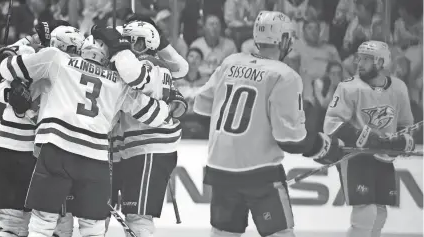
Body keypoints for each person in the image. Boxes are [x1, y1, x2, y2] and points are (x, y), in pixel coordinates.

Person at [0, 25, 175, 237]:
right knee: (93, 228)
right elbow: (154, 115)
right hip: (95, 160)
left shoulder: (57, 59)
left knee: (43, 222)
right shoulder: (118, 81)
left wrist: (18, 50)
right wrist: (171, 103)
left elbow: (7, 68)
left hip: (56, 151)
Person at [193, 11, 344, 237]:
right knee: (280, 233)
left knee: (223, 233)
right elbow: (290, 139)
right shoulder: (284, 75)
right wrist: (323, 146)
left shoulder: (230, 62)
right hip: (259, 174)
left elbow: (202, 106)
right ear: (283, 40)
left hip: (220, 169)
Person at [0, 21, 79, 237]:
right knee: (49, 223)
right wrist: (10, 93)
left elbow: (3, 64)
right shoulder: (38, 55)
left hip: (38, 150)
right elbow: (2, 66)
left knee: (35, 223)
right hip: (35, 150)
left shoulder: (32, 54)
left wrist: (10, 93)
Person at [323, 40, 415, 237]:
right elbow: (332, 124)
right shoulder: (348, 87)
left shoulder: (398, 88)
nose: (359, 63)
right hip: (356, 157)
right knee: (366, 213)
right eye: (359, 58)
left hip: (383, 158)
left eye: (366, 59)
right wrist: (368, 138)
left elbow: (407, 125)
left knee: (380, 214)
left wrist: (401, 142)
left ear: (381, 63)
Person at [111, 20, 187, 237]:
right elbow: (178, 103)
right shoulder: (160, 65)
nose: (132, 46)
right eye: (129, 41)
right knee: (134, 216)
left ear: (150, 42)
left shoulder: (144, 65)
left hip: (148, 147)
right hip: (141, 147)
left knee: (138, 218)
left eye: (137, 41)